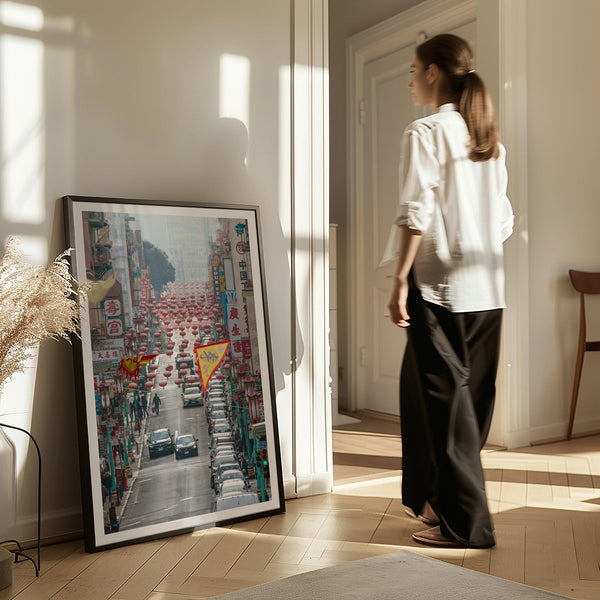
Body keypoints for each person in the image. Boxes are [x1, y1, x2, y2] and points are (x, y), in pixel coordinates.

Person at [381, 34, 513, 549]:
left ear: (434, 72)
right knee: (460, 403)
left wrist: (398, 279)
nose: (410, 79)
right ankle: (439, 501)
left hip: (438, 290)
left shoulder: (425, 131)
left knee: (445, 408)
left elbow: (415, 212)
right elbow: (502, 221)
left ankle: (468, 526)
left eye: (413, 70)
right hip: (487, 291)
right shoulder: (489, 141)